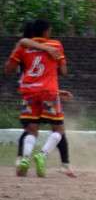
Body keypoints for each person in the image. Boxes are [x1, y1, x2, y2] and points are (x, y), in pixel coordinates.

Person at [5, 19, 70, 178]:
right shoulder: (55, 45)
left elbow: (9, 70)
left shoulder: (23, 48)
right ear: (47, 31)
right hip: (49, 91)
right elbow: (63, 71)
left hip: (29, 93)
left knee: (31, 130)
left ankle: (25, 159)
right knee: (58, 130)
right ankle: (42, 155)